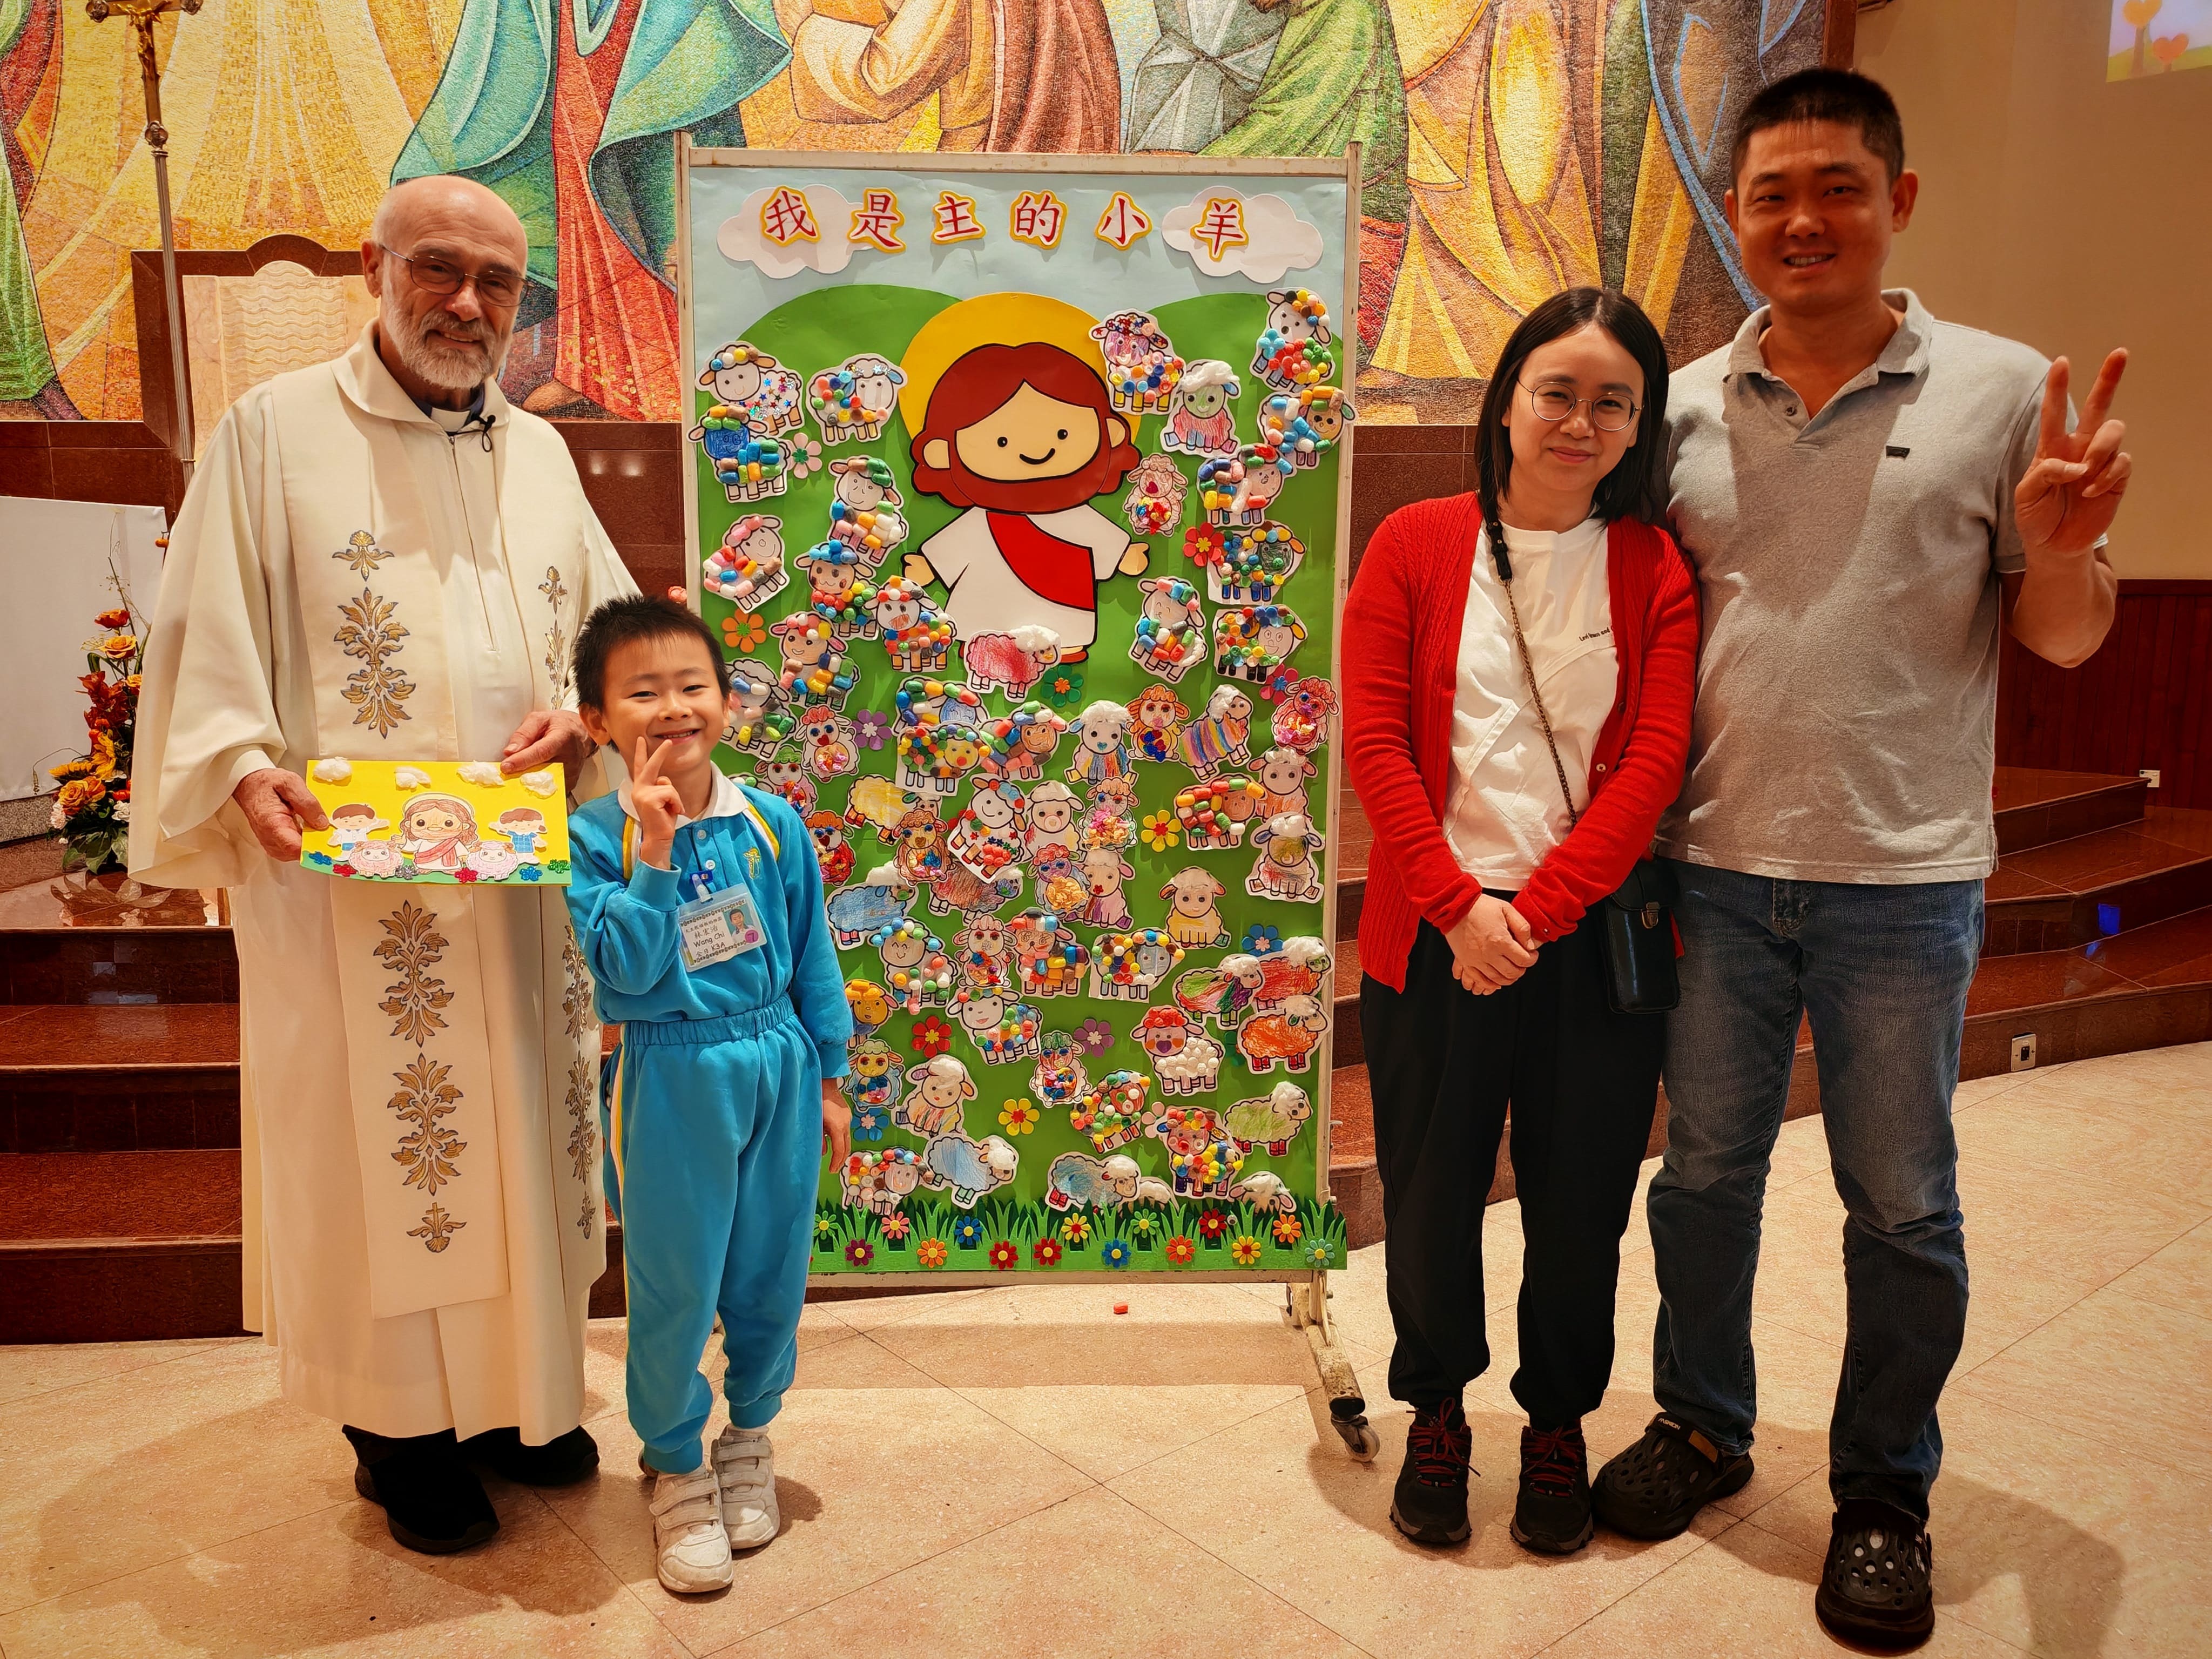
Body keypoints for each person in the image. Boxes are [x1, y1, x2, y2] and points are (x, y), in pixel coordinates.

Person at [1590, 69, 2129, 1649]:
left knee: (1900, 1204)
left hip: (1905, 877)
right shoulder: (1678, 406)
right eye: (1771, 193)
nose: (1803, 219)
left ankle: (1884, 1492)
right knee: (1702, 1178)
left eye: (1837, 186)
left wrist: (2069, 549)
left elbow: (2065, 638)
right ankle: (1702, 1423)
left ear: (1898, 200)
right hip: (1711, 866)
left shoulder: (2002, 388)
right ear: (1735, 213)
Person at [129, 175, 638, 1555]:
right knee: (388, 1149)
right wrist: (242, 762)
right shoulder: (272, 431)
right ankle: (398, 1434)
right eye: (437, 268)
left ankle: (517, 1400)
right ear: (374, 266)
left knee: (521, 1129)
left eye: (497, 281)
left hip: (519, 891)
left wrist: (585, 718)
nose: (466, 303)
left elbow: (608, 638)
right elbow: (203, 638)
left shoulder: (542, 453)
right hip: (348, 894)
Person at [1343, 287, 1697, 1554]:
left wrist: (1531, 915)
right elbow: (1374, 739)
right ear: (1505, 401)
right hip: (1432, 939)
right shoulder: (1412, 542)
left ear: (1639, 426)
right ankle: (1437, 1412)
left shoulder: (1653, 565)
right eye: (1557, 391)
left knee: (1580, 1202)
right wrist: (1457, 908)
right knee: (1430, 1195)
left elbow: (1652, 763)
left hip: (1584, 946)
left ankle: (1555, 1423)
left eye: (1612, 402)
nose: (1578, 420)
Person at [564, 595, 855, 1594]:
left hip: (778, 1064)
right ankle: (677, 1463)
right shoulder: (594, 836)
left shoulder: (772, 823)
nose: (673, 708)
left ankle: (749, 1437)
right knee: (676, 1285)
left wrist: (831, 1079)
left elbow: (813, 954)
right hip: (671, 1073)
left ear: (728, 702)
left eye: (693, 686)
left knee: (772, 1273)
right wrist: (654, 852)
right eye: (642, 692)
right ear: (598, 721)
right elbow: (626, 971)